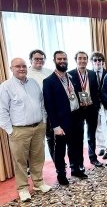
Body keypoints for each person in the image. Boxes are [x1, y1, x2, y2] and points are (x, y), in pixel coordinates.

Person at [0, 58, 51, 202]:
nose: (21, 69)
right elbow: (2, 111)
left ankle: (38, 183)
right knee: (20, 161)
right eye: (18, 66)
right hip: (19, 131)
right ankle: (22, 188)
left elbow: (41, 103)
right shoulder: (6, 87)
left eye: (23, 66)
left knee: (38, 158)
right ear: (11, 68)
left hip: (38, 127)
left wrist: (44, 121)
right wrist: (10, 131)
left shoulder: (33, 83)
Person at [43, 51, 85, 185]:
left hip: (76, 117)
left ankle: (75, 169)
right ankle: (61, 174)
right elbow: (49, 106)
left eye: (64, 58)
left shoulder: (71, 77)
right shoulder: (49, 81)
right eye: (59, 59)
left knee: (76, 146)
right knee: (60, 149)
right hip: (61, 122)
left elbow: (76, 95)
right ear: (54, 60)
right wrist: (55, 126)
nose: (62, 61)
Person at [68, 51, 103, 168]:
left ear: (87, 60)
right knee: (78, 136)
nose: (82, 60)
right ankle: (80, 163)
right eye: (80, 58)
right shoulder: (70, 74)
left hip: (91, 109)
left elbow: (96, 91)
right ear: (76, 60)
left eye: (84, 58)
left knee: (91, 135)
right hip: (78, 110)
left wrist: (96, 106)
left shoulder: (92, 74)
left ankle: (93, 158)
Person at [90, 52, 107, 160]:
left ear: (103, 62)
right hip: (94, 104)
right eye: (95, 60)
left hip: (106, 103)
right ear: (92, 62)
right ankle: (102, 147)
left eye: (100, 60)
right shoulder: (89, 74)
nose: (98, 62)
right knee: (97, 126)